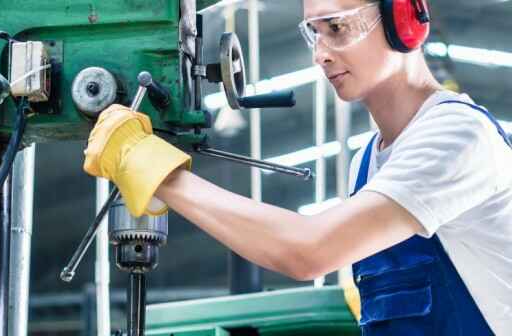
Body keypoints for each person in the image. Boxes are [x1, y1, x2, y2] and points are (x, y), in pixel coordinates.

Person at [83, 0, 512, 334]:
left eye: (337, 28)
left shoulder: (457, 135)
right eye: (314, 34)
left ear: (405, 20)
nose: (321, 55)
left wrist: (157, 170)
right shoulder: (368, 163)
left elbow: (308, 251)